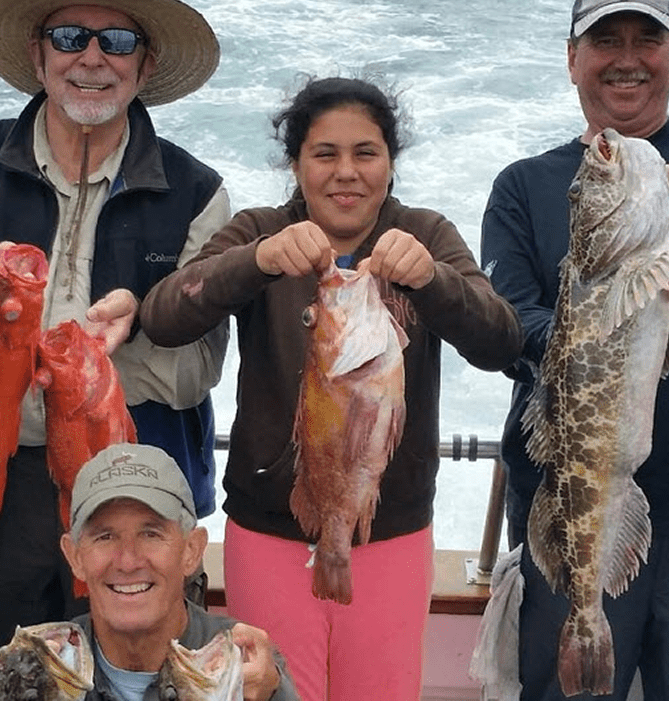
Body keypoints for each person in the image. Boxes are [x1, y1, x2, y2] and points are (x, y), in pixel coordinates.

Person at [0, 0, 230, 699]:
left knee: (140, 680)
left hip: (133, 489)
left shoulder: (201, 193)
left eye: (116, 42)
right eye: (70, 35)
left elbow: (198, 367)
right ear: (37, 56)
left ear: (145, 68)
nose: (91, 58)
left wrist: (120, 342)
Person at [138, 76, 524, 701]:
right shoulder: (260, 230)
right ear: (296, 165)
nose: (346, 172)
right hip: (268, 532)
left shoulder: (425, 233)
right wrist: (257, 260)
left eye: (365, 153)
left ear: (390, 163)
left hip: (391, 533)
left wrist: (432, 280)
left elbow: (502, 341)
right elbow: (163, 316)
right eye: (325, 154)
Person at [480, 0, 669, 700]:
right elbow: (509, 321)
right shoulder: (523, 185)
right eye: (604, 39)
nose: (626, 56)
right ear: (572, 58)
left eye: (648, 38)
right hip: (571, 515)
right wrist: (596, 334)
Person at [52, 442, 298, 701]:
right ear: (75, 557)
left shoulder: (249, 665)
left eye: (151, 534)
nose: (128, 561)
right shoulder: (38, 666)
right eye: (105, 537)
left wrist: (273, 696)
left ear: (192, 550)